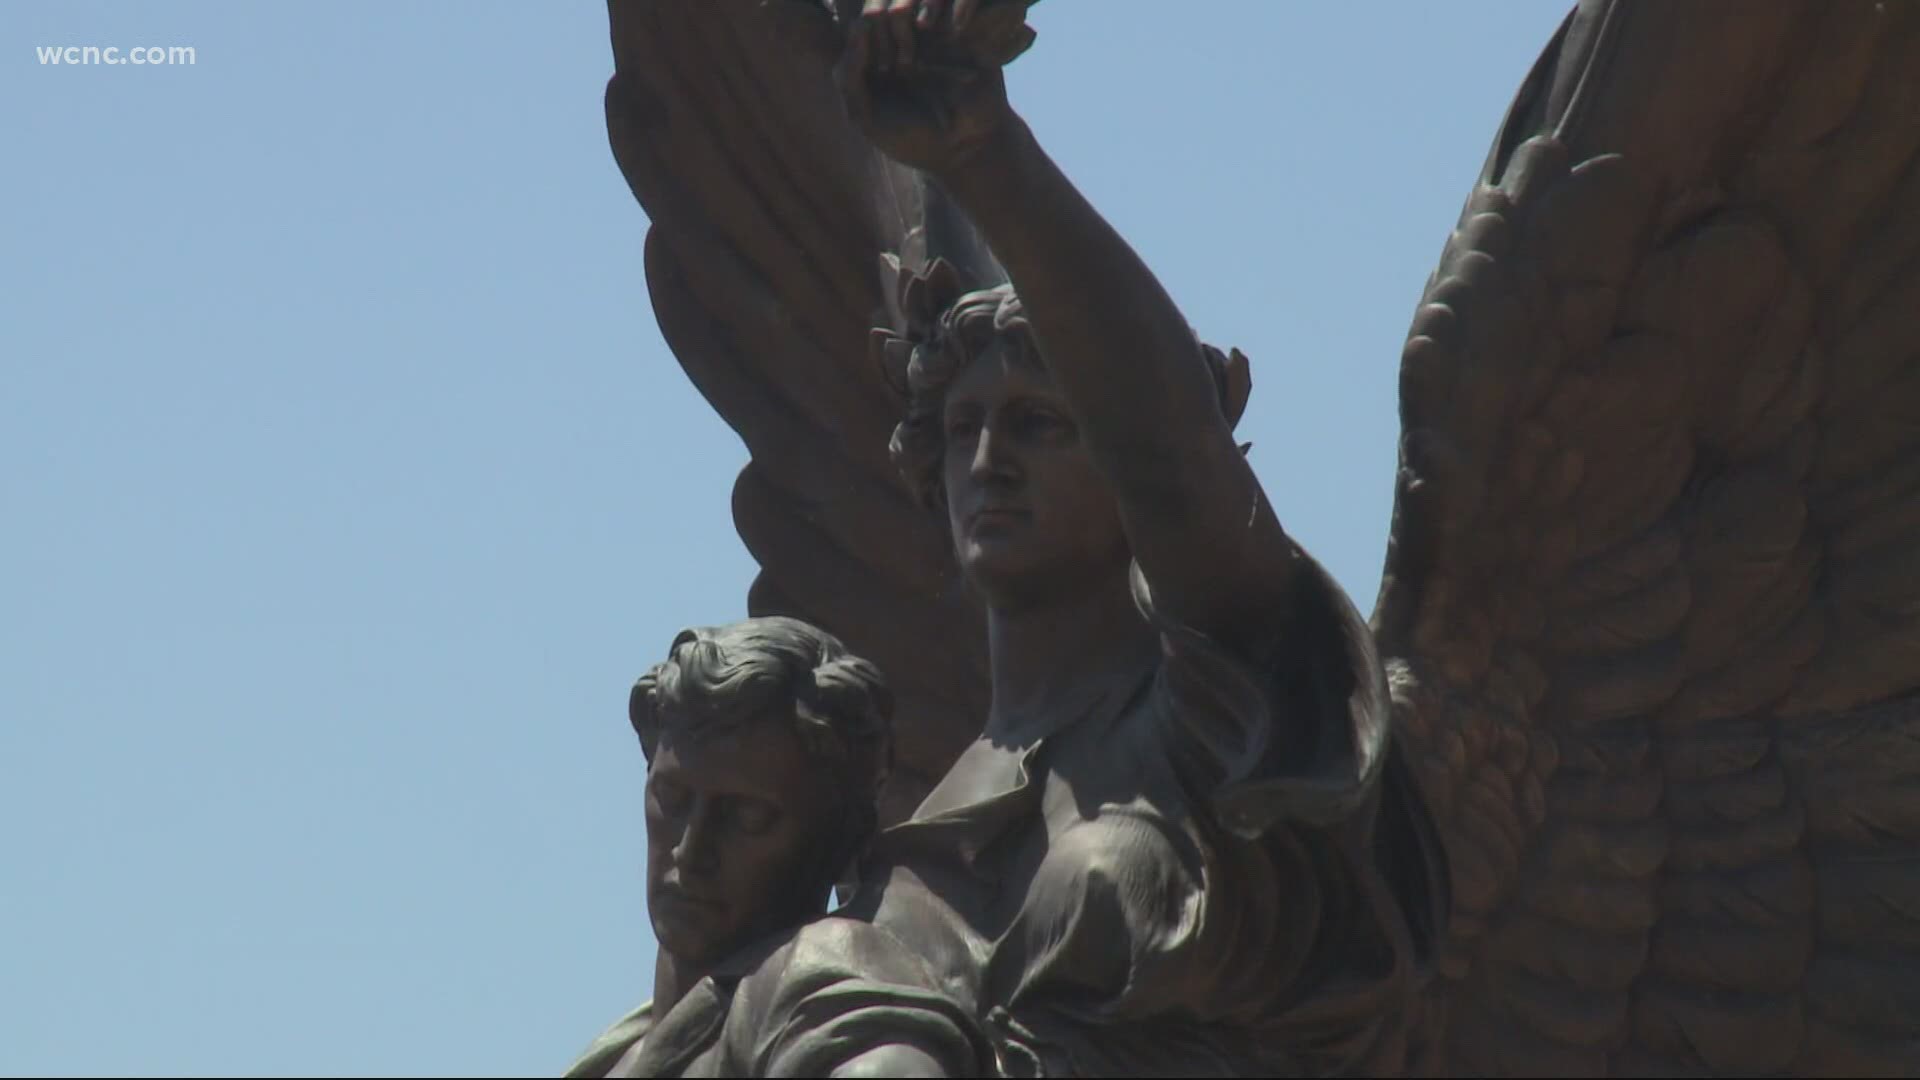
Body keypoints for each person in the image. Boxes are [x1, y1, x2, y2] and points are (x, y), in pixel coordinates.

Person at [822, 2, 1450, 1074]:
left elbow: (1173, 456)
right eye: (964, 429)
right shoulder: (912, 855)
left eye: (1038, 425)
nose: (988, 465)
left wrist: (986, 155)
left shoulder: (1221, 717)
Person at [565, 617, 989, 1078]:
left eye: (747, 817)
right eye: (671, 798)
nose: (691, 849)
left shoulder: (824, 974)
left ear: (836, 837)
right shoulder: (613, 1054)